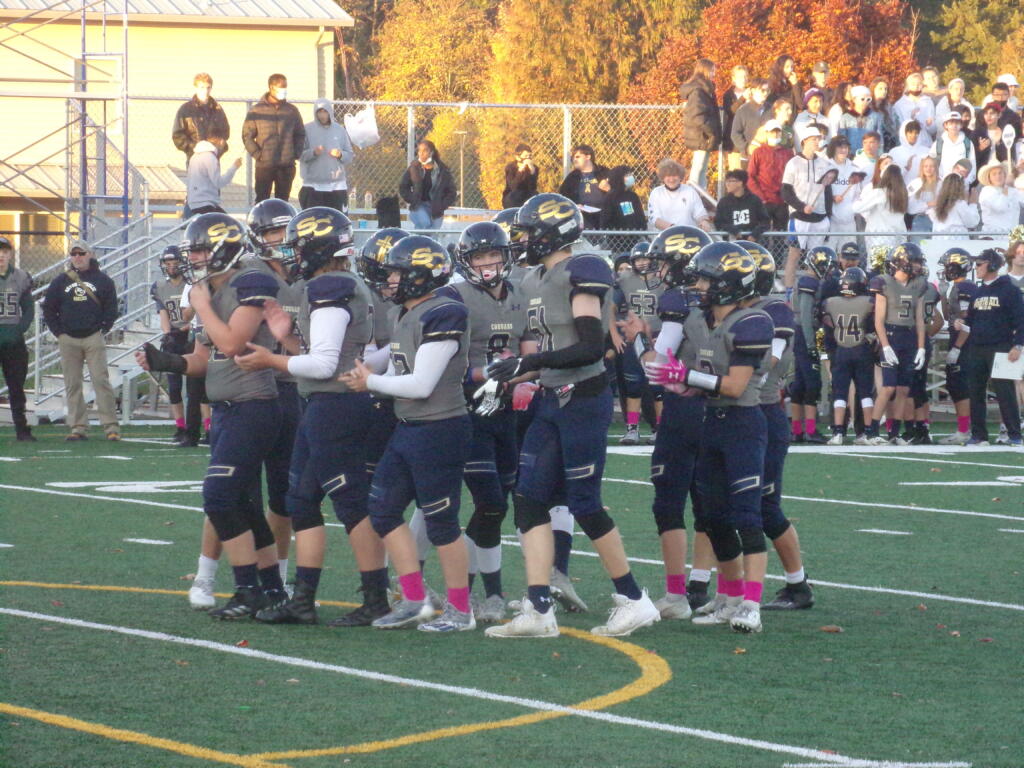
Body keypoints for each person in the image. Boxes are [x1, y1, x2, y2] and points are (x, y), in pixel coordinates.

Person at [484, 193, 658, 639]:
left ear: (550, 232)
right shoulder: (536, 276)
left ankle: (634, 600)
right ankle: (539, 608)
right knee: (528, 498)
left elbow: (588, 345)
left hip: (583, 395)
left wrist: (527, 365)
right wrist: (522, 366)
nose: (522, 239)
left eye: (527, 230)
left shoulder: (585, 268)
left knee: (583, 501)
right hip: (549, 397)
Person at [232, 207, 390, 627]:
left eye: (299, 244)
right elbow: (329, 360)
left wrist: (271, 359)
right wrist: (285, 339)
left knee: (350, 502)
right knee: (300, 500)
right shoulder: (339, 284)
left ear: (316, 248)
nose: (293, 251)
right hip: (323, 404)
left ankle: (377, 597)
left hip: (335, 407)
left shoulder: (330, 288)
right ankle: (302, 599)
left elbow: (323, 366)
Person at [137, 212, 285, 618]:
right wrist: (166, 361)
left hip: (253, 407)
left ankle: (247, 588)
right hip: (226, 410)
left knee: (219, 496)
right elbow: (205, 358)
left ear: (224, 248)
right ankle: (271, 589)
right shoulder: (216, 288)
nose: (195, 258)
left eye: (201, 249)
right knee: (244, 501)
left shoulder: (248, 283)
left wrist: (200, 304)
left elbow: (234, 344)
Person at [340, 235, 475, 632]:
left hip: (441, 428)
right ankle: (415, 600)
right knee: (382, 510)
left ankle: (460, 611)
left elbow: (421, 384)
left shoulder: (445, 312)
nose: (390, 281)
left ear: (418, 275)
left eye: (398, 273)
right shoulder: (409, 313)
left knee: (441, 523)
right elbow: (394, 367)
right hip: (409, 426)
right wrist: (360, 369)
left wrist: (371, 383)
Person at [647, 242, 775, 633]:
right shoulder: (699, 320)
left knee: (747, 518)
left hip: (742, 427)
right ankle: (731, 596)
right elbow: (693, 379)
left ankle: (751, 604)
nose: (698, 285)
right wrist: (681, 386)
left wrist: (684, 377)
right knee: (713, 518)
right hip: (709, 423)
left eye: (705, 278)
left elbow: (735, 386)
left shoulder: (753, 322)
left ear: (727, 284)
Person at [444, 222, 536, 621]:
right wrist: (496, 374)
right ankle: (482, 593)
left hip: (507, 414)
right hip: (469, 409)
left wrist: (524, 378)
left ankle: (481, 593)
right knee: (490, 502)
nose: (487, 263)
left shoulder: (521, 294)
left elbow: (531, 352)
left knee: (497, 506)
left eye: (493, 255)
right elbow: (451, 363)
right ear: (467, 261)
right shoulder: (454, 297)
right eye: (479, 257)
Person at [742, 243, 814, 610]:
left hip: (763, 412)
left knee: (765, 507)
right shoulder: (738, 309)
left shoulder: (774, 310)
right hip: (739, 413)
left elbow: (768, 359)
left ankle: (798, 585)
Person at [42, 241, 120, 441]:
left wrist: (104, 328)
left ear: (90, 254)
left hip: (93, 336)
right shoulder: (60, 281)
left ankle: (110, 427)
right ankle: (78, 427)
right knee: (72, 383)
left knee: (100, 380)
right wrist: (59, 332)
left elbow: (111, 307)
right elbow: (49, 308)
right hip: (68, 338)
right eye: (74, 253)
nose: (77, 257)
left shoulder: (103, 280)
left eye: (81, 253)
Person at [951, 248, 1024, 446]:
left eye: (980, 264)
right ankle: (979, 435)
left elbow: (1021, 321)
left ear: (992, 265)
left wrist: (1018, 345)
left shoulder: (1010, 290)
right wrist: (962, 324)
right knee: (975, 391)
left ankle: (1014, 434)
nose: (977, 268)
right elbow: (973, 322)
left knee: (1005, 392)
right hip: (977, 347)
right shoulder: (978, 292)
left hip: (1001, 346)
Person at [865, 244, 927, 445]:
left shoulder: (919, 284)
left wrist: (921, 347)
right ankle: (872, 431)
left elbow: (919, 320)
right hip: (891, 335)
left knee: (903, 389)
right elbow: (878, 321)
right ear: (902, 261)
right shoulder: (883, 282)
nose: (918, 266)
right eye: (915, 261)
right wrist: (885, 345)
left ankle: (894, 433)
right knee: (888, 387)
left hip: (909, 338)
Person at [822, 267, 875, 445]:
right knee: (865, 392)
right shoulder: (868, 302)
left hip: (841, 350)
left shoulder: (830, 302)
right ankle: (867, 432)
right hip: (861, 350)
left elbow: (826, 324)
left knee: (839, 393)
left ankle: (838, 432)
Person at [789, 246, 833, 444]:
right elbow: (806, 317)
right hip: (807, 333)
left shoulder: (810, 281)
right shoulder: (808, 282)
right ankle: (810, 430)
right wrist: (811, 345)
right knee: (812, 384)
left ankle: (797, 431)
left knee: (801, 385)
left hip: (807, 333)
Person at [781, 125, 833, 290]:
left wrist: (828, 215)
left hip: (819, 217)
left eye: (818, 138)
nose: (817, 142)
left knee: (815, 257)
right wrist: (801, 207)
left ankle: (811, 290)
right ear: (804, 141)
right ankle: (789, 292)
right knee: (794, 254)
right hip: (799, 218)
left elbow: (828, 191)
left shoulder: (825, 163)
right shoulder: (793, 163)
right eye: (814, 139)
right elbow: (786, 192)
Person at [242, 73, 306, 203]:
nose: (284, 90)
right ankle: (260, 223)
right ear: (271, 87)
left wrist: (295, 153)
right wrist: (258, 154)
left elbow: (300, 134)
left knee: (282, 202)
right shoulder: (256, 110)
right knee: (262, 201)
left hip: (286, 165)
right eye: (281, 87)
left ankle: (282, 224)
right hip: (264, 165)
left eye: (285, 87)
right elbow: (247, 135)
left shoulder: (291, 110)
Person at [937, 247, 977, 445]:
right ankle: (964, 429)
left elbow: (967, 323)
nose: (945, 269)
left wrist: (957, 348)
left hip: (965, 344)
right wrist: (943, 295)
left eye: (947, 265)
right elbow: (947, 317)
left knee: (960, 386)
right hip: (958, 340)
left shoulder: (966, 288)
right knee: (954, 385)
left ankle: (965, 430)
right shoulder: (957, 287)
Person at [150, 246, 191, 442]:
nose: (172, 267)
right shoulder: (159, 286)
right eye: (168, 264)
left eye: (176, 263)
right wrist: (168, 334)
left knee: (196, 388)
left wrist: (185, 329)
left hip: (192, 336)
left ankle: (206, 426)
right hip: (174, 337)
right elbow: (163, 313)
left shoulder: (191, 284)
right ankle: (180, 426)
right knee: (174, 387)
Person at [0, 236, 35, 441]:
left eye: (5, 251)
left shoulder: (20, 277)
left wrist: (20, 329)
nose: (1, 255)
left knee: (16, 386)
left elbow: (29, 308)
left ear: (10, 253)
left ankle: (22, 429)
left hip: (13, 341)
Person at [298, 99, 354, 212]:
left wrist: (340, 154)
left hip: (336, 185)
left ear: (330, 112)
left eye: (325, 111)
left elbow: (350, 155)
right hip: (313, 185)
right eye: (319, 112)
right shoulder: (307, 129)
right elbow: (299, 154)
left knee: (337, 220)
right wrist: (313, 153)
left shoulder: (339, 130)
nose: (322, 115)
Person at [680, 58, 722, 189]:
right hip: (701, 135)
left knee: (702, 169)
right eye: (712, 70)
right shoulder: (699, 91)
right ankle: (693, 195)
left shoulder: (704, 89)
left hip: (703, 135)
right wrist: (711, 131)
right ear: (705, 70)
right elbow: (698, 116)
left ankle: (701, 197)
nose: (714, 73)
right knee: (698, 169)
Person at [747, 119, 795, 233]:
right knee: (761, 233)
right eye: (772, 132)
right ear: (766, 133)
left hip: (782, 201)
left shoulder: (788, 153)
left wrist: (788, 196)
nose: (775, 134)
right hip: (764, 200)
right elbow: (750, 176)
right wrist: (760, 197)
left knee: (781, 235)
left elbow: (793, 176)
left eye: (778, 132)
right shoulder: (758, 152)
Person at [171, 72, 230, 161]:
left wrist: (216, 149)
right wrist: (194, 148)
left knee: (214, 175)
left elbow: (225, 133)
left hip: (213, 158)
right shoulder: (186, 110)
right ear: (196, 88)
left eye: (208, 87)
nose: (205, 91)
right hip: (194, 158)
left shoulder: (217, 109)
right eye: (202, 87)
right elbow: (178, 136)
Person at [400, 139, 457, 230]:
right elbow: (403, 187)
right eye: (419, 150)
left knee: (433, 234)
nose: (421, 154)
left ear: (431, 153)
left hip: (436, 207)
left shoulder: (442, 170)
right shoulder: (414, 168)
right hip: (419, 205)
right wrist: (413, 199)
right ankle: (418, 241)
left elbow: (452, 192)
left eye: (425, 150)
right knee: (425, 224)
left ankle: (419, 241)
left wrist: (442, 205)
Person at [852, 164, 908, 248]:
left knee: (877, 260)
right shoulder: (903, 193)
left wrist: (858, 200)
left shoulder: (879, 192)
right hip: (898, 236)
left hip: (878, 237)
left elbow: (857, 208)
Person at [646, 158, 712, 231]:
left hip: (688, 236)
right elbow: (654, 218)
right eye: (668, 176)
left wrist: (704, 221)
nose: (671, 179)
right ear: (663, 177)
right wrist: (674, 229)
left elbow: (699, 211)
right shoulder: (656, 193)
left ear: (680, 176)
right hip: (663, 237)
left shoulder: (690, 191)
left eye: (674, 175)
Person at [558, 144, 609, 230]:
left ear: (588, 157)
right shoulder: (572, 176)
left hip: (602, 215)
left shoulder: (603, 172)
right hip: (581, 216)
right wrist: (574, 206)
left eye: (578, 157)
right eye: (573, 157)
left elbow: (619, 193)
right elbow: (562, 196)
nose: (574, 160)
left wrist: (609, 189)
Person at [184, 140, 241, 218]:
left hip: (194, 203)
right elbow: (219, 182)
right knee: (228, 224)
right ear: (221, 142)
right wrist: (234, 167)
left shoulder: (195, 156)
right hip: (206, 203)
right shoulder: (210, 157)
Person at [826, 136, 866, 238]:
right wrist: (832, 198)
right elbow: (820, 192)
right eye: (840, 147)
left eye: (846, 147)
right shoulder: (825, 167)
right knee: (828, 253)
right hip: (830, 222)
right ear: (833, 148)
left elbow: (858, 195)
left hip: (849, 222)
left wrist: (852, 210)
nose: (843, 150)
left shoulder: (855, 169)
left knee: (848, 252)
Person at [714, 169, 770, 240]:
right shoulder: (724, 202)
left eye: (730, 181)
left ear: (740, 183)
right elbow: (718, 223)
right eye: (726, 181)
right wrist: (732, 230)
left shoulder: (754, 200)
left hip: (751, 244)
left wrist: (755, 234)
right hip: (731, 245)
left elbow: (765, 222)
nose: (727, 184)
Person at [731, 78, 771, 167]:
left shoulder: (771, 109)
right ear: (753, 91)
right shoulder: (743, 110)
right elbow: (735, 133)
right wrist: (746, 148)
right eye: (762, 90)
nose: (765, 93)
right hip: (748, 158)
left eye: (767, 90)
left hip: (767, 157)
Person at [929, 112, 977, 185]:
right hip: (942, 184)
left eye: (957, 123)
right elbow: (931, 164)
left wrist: (966, 182)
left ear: (961, 125)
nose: (954, 126)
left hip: (962, 185)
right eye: (951, 123)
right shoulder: (938, 144)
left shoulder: (968, 143)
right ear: (945, 125)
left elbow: (972, 165)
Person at [837, 85, 883, 155]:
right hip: (851, 156)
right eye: (862, 99)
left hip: (870, 156)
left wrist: (879, 155)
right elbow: (842, 139)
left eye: (868, 99)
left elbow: (880, 138)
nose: (865, 102)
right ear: (854, 99)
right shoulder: (845, 117)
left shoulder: (875, 116)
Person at [978, 163, 1024, 233]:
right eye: (994, 174)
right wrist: (1005, 191)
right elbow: (1000, 207)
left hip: (1013, 234)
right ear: (989, 177)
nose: (998, 176)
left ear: (1005, 175)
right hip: (994, 235)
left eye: (1000, 173)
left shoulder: (1013, 191)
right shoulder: (986, 191)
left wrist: (1018, 183)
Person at [599, 166, 647, 232]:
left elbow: (640, 218)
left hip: (634, 235)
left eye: (631, 174)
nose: (631, 177)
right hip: (616, 237)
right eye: (627, 175)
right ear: (619, 178)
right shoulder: (610, 197)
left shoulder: (633, 196)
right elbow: (605, 220)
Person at [894, 73, 937, 141]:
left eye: (919, 84)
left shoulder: (928, 102)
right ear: (908, 86)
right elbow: (898, 128)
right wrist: (911, 117)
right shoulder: (900, 104)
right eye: (913, 84)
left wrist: (929, 125)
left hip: (925, 143)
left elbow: (933, 130)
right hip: (907, 143)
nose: (916, 87)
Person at [722, 66, 750, 170]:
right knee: (735, 171)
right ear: (733, 78)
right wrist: (743, 98)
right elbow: (730, 111)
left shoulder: (752, 93)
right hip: (734, 141)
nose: (743, 79)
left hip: (749, 138)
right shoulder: (729, 95)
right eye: (740, 77)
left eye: (745, 76)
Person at [907, 155, 940, 235]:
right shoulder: (915, 183)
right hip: (919, 221)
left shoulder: (941, 183)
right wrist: (929, 204)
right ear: (922, 168)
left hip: (937, 220)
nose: (928, 169)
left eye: (931, 166)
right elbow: (910, 208)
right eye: (925, 166)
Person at [890, 120, 928, 185]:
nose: (913, 135)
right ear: (904, 133)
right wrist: (906, 168)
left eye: (916, 133)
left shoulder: (926, 151)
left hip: (921, 189)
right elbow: (891, 175)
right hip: (900, 189)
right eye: (910, 132)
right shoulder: (894, 152)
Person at [502, 144, 539, 208]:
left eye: (530, 156)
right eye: (525, 156)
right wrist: (520, 171)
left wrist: (532, 172)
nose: (528, 158)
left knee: (536, 196)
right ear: (517, 157)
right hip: (512, 194)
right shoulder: (510, 167)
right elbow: (513, 186)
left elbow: (533, 187)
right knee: (515, 196)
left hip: (527, 194)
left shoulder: (534, 168)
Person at [870, 78, 899, 151]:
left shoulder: (889, 107)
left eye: (885, 89)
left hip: (888, 143)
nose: (884, 91)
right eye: (880, 88)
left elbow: (895, 125)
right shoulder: (868, 106)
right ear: (873, 89)